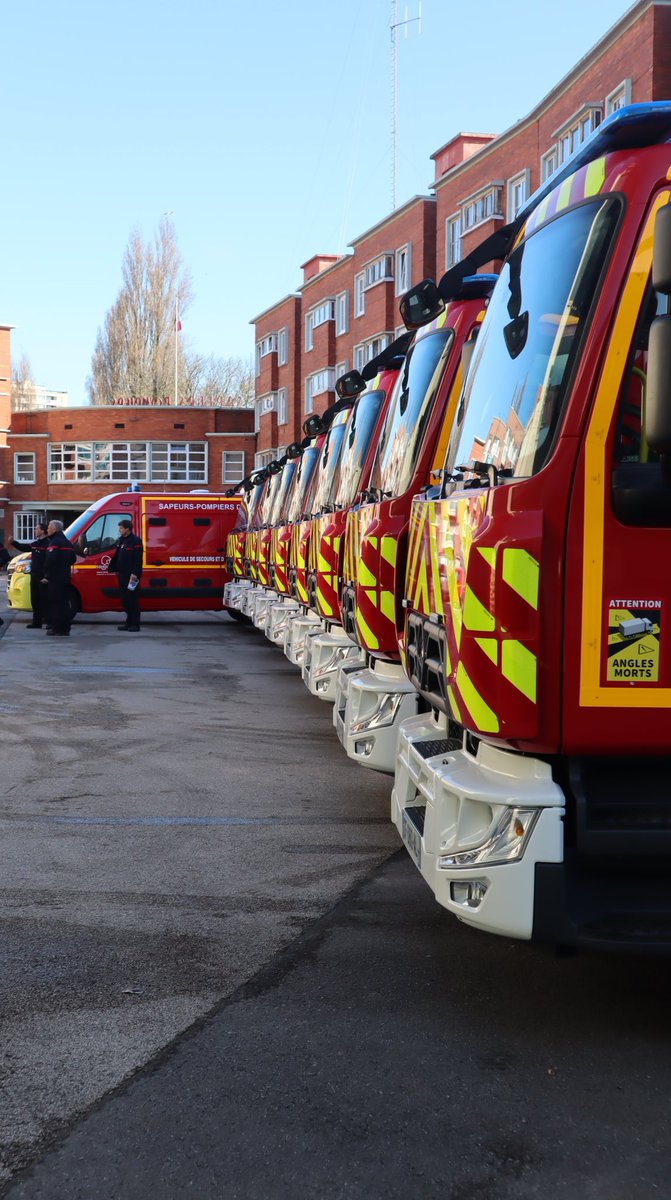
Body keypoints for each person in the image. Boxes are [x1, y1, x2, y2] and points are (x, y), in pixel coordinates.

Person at [8, 523, 50, 628]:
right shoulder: (35, 544)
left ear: (42, 531)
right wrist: (13, 542)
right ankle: (36, 622)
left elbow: (50, 561)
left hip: (43, 576)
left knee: (45, 600)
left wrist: (47, 576)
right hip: (34, 575)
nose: (35, 530)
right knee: (34, 599)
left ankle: (49, 622)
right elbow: (24, 547)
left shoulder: (48, 544)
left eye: (37, 529)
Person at [42, 520, 77, 637]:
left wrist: (46, 573)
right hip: (66, 576)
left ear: (54, 529)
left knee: (55, 603)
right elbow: (73, 559)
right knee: (65, 603)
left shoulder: (55, 542)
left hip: (55, 578)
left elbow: (50, 560)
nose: (47, 530)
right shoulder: (67, 542)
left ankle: (57, 629)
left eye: (49, 527)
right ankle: (65, 628)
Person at [108, 518, 143, 632]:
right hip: (122, 575)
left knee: (132, 599)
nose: (119, 530)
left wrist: (135, 573)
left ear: (127, 529)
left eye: (121, 528)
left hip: (132, 576)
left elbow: (138, 560)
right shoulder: (122, 540)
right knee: (125, 600)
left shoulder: (135, 541)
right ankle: (128, 623)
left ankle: (135, 624)